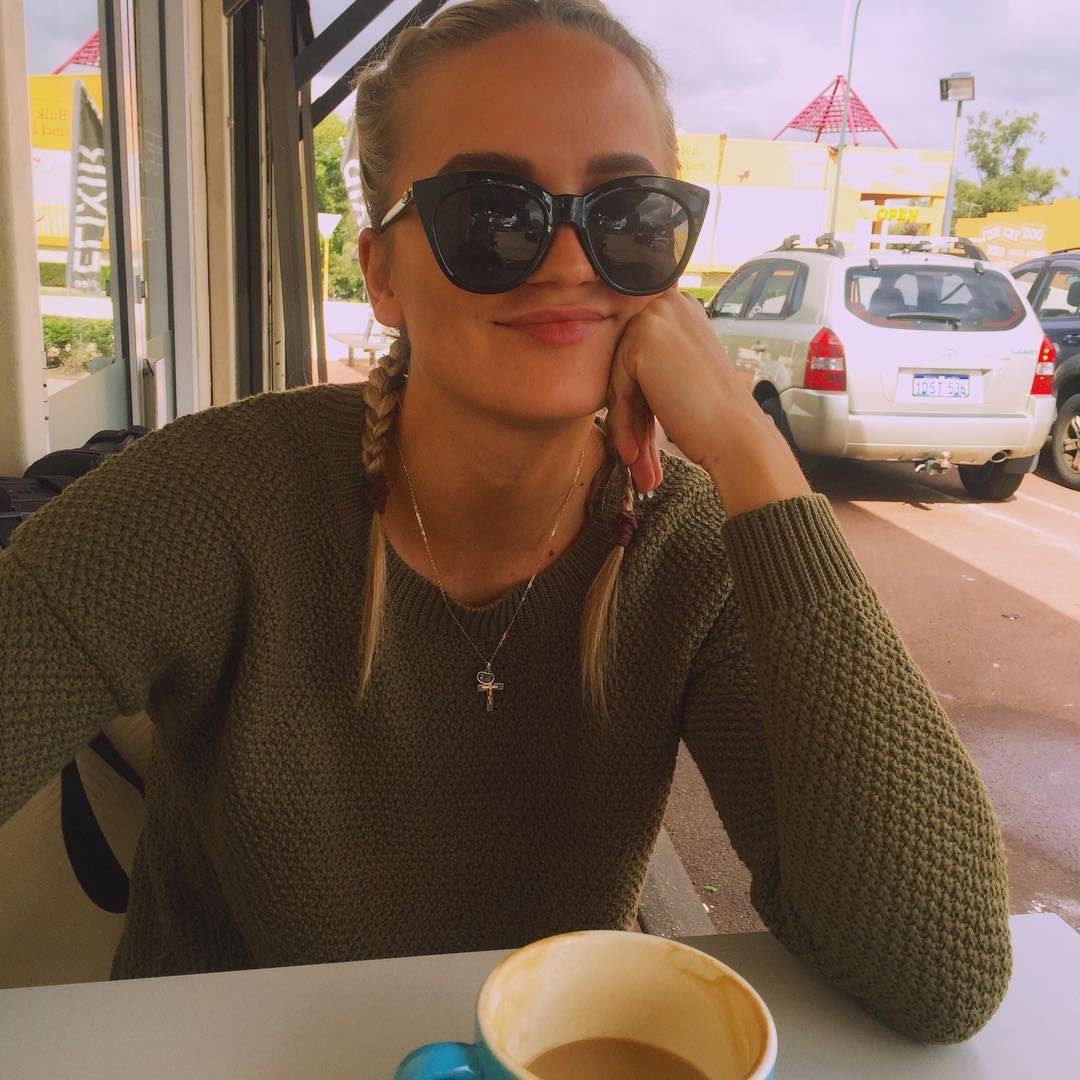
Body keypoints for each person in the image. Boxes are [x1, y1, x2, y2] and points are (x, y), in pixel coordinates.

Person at [0, 0, 1010, 1044]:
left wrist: (753, 457)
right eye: (492, 213)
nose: (570, 261)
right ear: (382, 274)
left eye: (628, 215)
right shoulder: (208, 497)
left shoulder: (688, 546)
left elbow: (937, 969)